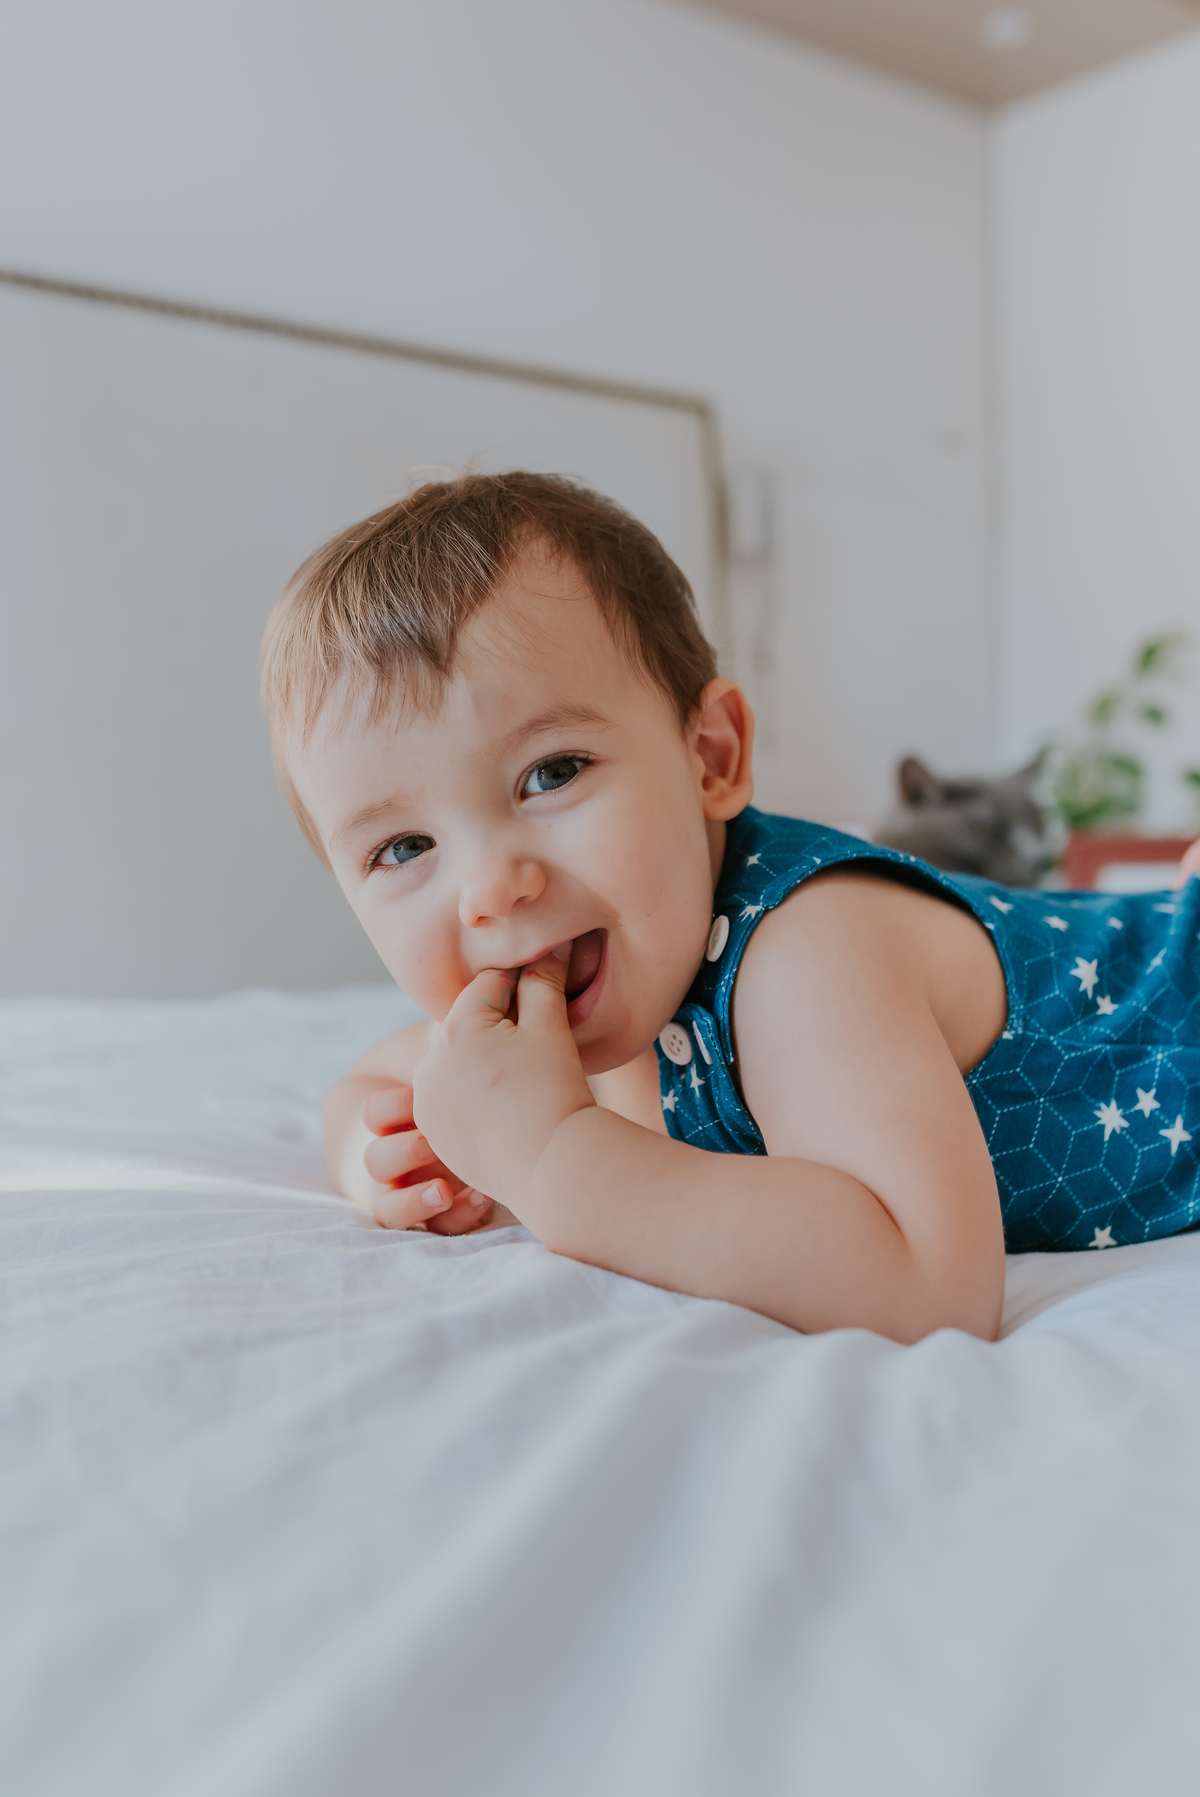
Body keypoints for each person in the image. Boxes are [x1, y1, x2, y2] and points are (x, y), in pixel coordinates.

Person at [261, 472, 1200, 1345]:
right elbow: (368, 1093)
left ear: (710, 757)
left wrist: (554, 1159)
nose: (489, 886)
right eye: (402, 848)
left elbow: (930, 1286)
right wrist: (388, 1165)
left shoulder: (806, 947)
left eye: (550, 774)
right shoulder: (540, 1015)